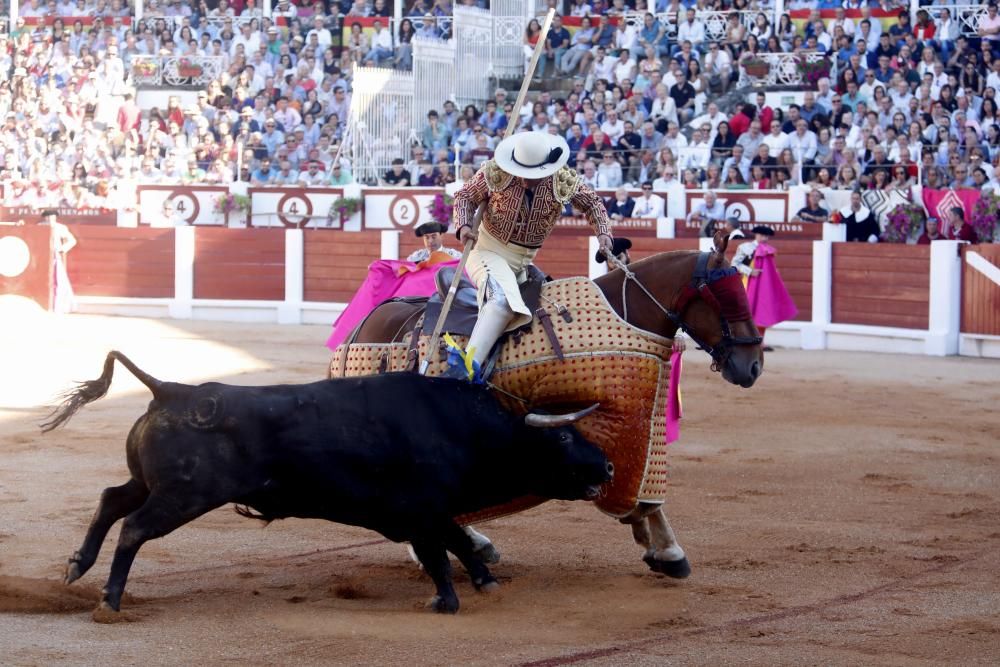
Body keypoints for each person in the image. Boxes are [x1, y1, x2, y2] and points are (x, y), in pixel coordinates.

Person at [446, 131, 614, 381]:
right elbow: (464, 197)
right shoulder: (497, 172)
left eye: (531, 176)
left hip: (524, 262)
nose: (524, 181)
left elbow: (592, 203)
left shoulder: (562, 180)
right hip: (487, 250)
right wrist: (464, 226)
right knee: (500, 302)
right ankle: (463, 373)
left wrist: (604, 233)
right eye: (521, 173)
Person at [731, 226, 797, 352]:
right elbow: (734, 264)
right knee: (747, 311)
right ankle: (742, 340)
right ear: (757, 235)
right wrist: (750, 271)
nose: (765, 239)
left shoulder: (768, 249)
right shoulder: (746, 247)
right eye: (763, 236)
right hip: (747, 283)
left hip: (762, 286)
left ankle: (759, 342)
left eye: (767, 237)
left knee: (762, 311)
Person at [37, 209, 77, 314]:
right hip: (42, 257)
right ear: (44, 217)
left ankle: (59, 306)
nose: (50, 218)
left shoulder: (60, 228)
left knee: (58, 281)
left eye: (52, 216)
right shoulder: (40, 226)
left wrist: (62, 249)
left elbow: (72, 240)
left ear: (55, 217)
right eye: (48, 216)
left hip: (54, 257)